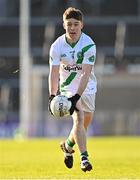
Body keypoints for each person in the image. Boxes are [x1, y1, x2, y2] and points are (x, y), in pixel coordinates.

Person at [48, 7, 97, 172]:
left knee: (85, 122)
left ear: (81, 25)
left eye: (76, 24)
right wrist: (52, 96)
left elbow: (86, 73)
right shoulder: (57, 46)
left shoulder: (88, 44)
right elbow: (54, 73)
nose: (72, 28)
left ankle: (68, 146)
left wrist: (78, 96)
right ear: (64, 25)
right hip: (68, 86)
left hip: (87, 85)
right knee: (79, 118)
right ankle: (84, 158)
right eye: (69, 24)